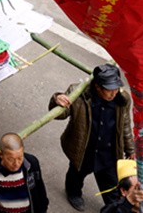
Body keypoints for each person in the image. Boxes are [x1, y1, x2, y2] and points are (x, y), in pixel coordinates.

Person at [49, 64, 134, 211]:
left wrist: (130, 149)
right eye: (109, 89)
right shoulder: (78, 93)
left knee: (112, 187)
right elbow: (60, 114)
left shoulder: (122, 99)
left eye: (116, 88)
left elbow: (125, 124)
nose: (114, 93)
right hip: (83, 149)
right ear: (97, 87)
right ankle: (73, 193)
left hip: (108, 153)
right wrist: (57, 99)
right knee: (76, 175)